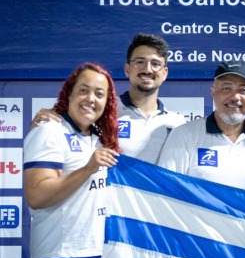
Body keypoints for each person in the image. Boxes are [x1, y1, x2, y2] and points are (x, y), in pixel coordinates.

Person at [23, 63, 121, 258]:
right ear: (69, 94)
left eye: (99, 94)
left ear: (107, 102)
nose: (91, 98)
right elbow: (37, 195)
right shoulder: (48, 130)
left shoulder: (99, 138)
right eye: (84, 90)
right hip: (64, 252)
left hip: (99, 251)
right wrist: (89, 167)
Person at [31, 33, 185, 164]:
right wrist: (45, 123)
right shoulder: (101, 109)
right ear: (127, 69)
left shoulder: (178, 123)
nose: (147, 69)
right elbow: (61, 128)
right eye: (140, 62)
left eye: (155, 64)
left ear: (165, 73)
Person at [157, 61, 245, 196]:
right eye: (227, 89)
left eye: (243, 90)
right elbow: (165, 193)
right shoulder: (183, 135)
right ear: (213, 93)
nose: (235, 97)